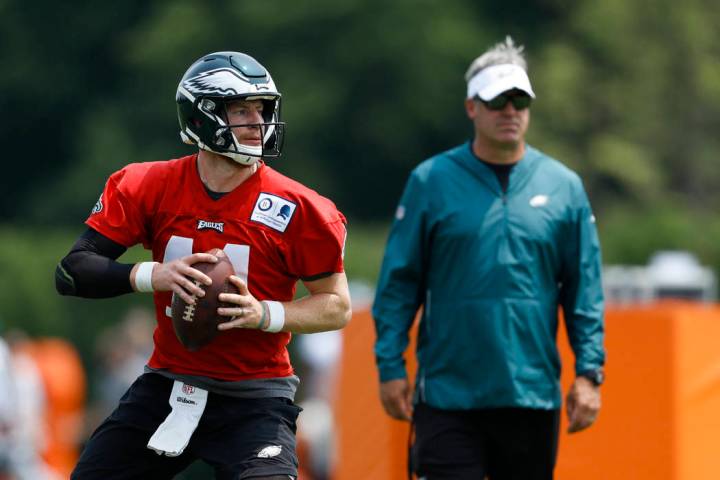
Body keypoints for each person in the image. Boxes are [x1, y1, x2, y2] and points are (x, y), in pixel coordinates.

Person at [55, 51, 351, 480]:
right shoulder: (148, 185)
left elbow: (336, 305)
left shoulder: (301, 207)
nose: (257, 122)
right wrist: (153, 275)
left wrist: (264, 313)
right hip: (167, 385)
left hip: (255, 399)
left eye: (262, 109)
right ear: (202, 117)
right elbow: (72, 272)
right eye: (241, 109)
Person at [372, 36, 605, 480]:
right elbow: (400, 282)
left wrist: (590, 373)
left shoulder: (563, 186)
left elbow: (584, 290)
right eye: (497, 100)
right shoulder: (431, 180)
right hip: (446, 394)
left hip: (531, 394)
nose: (510, 110)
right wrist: (390, 364)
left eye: (519, 100)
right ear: (471, 107)